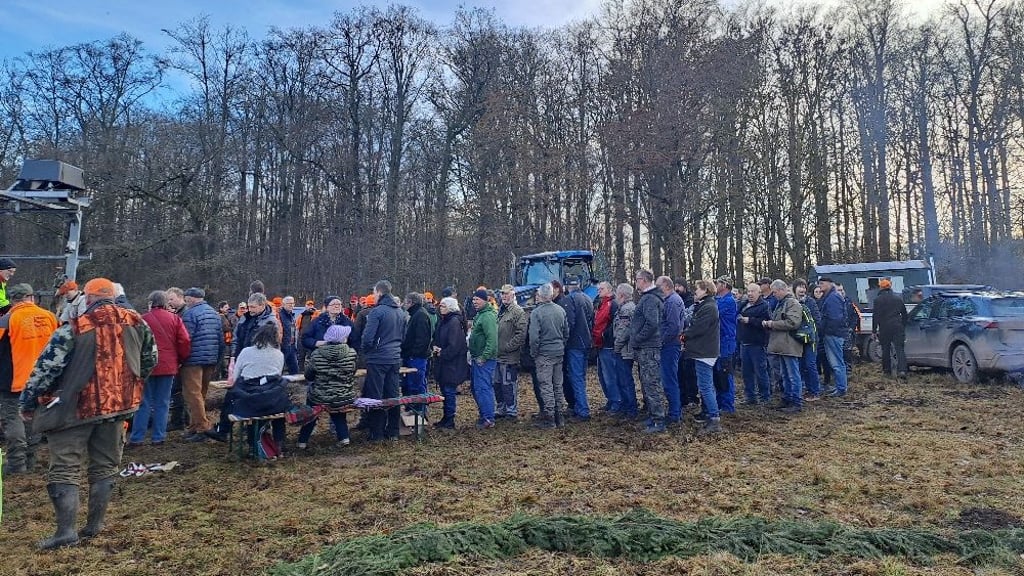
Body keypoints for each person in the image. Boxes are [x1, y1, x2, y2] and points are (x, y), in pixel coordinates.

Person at [20, 278, 156, 549]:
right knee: (105, 466)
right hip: (117, 408)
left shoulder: (75, 327)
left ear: (89, 298)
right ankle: (94, 526)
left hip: (73, 409)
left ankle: (66, 532)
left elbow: (46, 370)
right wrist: (128, 386)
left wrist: (28, 402)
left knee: (65, 468)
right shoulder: (137, 322)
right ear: (113, 296)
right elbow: (150, 359)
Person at [0, 283, 58, 474]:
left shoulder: (7, 320)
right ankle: (31, 459)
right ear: (31, 298)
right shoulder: (50, 317)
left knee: (12, 419)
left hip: (14, 380)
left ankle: (17, 464)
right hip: (44, 381)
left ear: (13, 300)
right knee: (33, 418)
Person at [208, 323, 287, 448]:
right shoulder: (279, 355)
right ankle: (279, 443)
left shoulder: (246, 352)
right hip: (271, 403)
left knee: (231, 395)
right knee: (280, 408)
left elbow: (234, 377)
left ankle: (223, 430)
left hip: (247, 402)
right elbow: (277, 375)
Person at [128, 291, 191, 447]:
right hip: (168, 365)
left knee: (143, 402)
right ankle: (159, 437)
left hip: (146, 365)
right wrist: (180, 359)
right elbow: (184, 341)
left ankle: (137, 437)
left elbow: (135, 343)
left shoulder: (142, 319)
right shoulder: (175, 319)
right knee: (163, 402)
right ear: (165, 303)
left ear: (151, 303)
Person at [361, 280, 407, 442]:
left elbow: (368, 338)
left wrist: (368, 352)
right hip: (395, 357)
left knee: (375, 395)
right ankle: (393, 431)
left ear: (379, 293)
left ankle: (377, 433)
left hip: (378, 359)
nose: (373, 296)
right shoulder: (400, 312)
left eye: (374, 293)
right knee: (393, 394)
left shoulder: (377, 312)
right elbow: (403, 336)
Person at [297, 324, 357, 448]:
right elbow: (353, 372)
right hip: (344, 396)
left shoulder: (317, 354)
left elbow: (309, 376)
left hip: (320, 397)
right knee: (338, 407)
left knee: (312, 410)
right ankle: (344, 437)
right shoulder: (351, 353)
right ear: (342, 338)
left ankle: (302, 441)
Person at [179, 287, 224, 442]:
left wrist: (181, 359)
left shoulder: (190, 314)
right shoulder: (214, 313)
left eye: (186, 298)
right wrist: (218, 359)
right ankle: (194, 426)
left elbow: (186, 339)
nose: (185, 301)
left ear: (191, 298)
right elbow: (220, 338)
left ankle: (203, 428)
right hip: (210, 359)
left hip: (193, 360)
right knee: (201, 394)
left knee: (193, 394)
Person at [684, 280, 722, 434]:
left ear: (706, 290)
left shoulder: (708, 307)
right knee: (706, 385)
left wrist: (684, 335)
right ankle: (708, 413)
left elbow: (698, 328)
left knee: (705, 386)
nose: (695, 292)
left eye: (698, 289)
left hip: (704, 351)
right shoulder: (706, 305)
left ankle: (714, 418)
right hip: (703, 350)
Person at [529, 283, 568, 429]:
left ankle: (550, 418)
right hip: (558, 352)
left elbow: (534, 337)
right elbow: (566, 332)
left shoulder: (536, 313)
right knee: (557, 385)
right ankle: (560, 416)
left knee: (546, 386)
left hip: (544, 354)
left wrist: (534, 353)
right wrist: (561, 345)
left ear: (540, 295)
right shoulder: (560, 310)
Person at [630, 269, 665, 434]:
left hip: (649, 348)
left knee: (651, 383)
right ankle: (653, 415)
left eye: (637, 279)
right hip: (646, 347)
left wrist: (637, 338)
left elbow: (652, 323)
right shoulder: (648, 297)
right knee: (647, 382)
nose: (635, 282)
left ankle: (658, 420)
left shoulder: (650, 299)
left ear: (644, 280)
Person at [764, 280, 805, 413]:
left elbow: (793, 323)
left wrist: (772, 324)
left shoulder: (792, 303)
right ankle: (787, 398)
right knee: (785, 374)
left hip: (790, 345)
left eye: (775, 292)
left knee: (793, 374)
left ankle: (796, 401)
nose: (774, 295)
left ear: (782, 290)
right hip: (782, 345)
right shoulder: (782, 303)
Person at [432, 297, 469, 429]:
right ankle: (446, 417)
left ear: (450, 307)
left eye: (443, 306)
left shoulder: (453, 322)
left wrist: (442, 352)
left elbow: (455, 345)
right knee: (445, 391)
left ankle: (449, 419)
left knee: (449, 391)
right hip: (445, 362)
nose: (440, 308)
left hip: (452, 363)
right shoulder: (444, 321)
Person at [561, 276, 594, 420]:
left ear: (567, 286)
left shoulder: (569, 300)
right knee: (581, 376)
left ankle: (582, 410)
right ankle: (580, 407)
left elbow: (569, 323)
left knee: (576, 377)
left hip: (575, 344)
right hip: (586, 342)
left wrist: (564, 340)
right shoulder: (587, 298)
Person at [494, 284, 527, 419]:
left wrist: (508, 347)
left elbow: (521, 334)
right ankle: (501, 408)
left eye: (507, 294)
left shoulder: (518, 312)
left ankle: (511, 410)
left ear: (513, 295)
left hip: (509, 357)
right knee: (497, 384)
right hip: (497, 355)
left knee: (508, 384)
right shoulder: (499, 311)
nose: (504, 296)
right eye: (502, 293)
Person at [468, 288, 498, 428]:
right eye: (473, 299)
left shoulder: (488, 317)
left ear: (485, 300)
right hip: (477, 357)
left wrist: (484, 356)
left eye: (477, 299)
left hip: (484, 359)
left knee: (483, 388)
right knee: (477, 388)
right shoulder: (480, 315)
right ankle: (484, 414)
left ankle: (488, 418)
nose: (475, 302)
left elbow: (492, 339)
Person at [737, 282, 771, 405]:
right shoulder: (743, 304)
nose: (750, 294)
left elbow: (766, 322)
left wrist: (750, 320)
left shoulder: (764, 306)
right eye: (748, 291)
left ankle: (765, 397)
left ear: (759, 292)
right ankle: (750, 397)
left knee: (760, 371)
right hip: (744, 342)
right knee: (746, 373)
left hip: (757, 343)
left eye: (753, 291)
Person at [657, 276, 683, 424]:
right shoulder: (669, 300)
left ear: (666, 286)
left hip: (670, 345)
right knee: (668, 379)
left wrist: (661, 341)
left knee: (669, 380)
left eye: (658, 285)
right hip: (669, 344)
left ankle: (674, 413)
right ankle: (674, 411)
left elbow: (673, 326)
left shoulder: (673, 301)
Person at [592, 281, 621, 414]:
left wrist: (605, 335)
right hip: (600, 344)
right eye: (598, 289)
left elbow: (615, 323)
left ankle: (616, 401)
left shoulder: (613, 304)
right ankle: (610, 399)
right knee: (602, 375)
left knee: (610, 375)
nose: (599, 291)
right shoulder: (600, 303)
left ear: (609, 289)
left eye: (602, 289)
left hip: (608, 345)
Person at [818, 277, 850, 397]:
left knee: (837, 362)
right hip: (833, 333)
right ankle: (839, 386)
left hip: (833, 334)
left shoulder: (832, 298)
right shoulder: (831, 296)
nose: (820, 285)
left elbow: (835, 318)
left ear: (830, 284)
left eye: (822, 283)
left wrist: (826, 330)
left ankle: (841, 388)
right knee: (836, 362)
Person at [611, 282, 639, 420]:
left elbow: (624, 331)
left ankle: (630, 408)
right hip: (624, 349)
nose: (615, 296)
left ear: (621, 295)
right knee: (622, 379)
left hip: (625, 351)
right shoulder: (625, 308)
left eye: (617, 293)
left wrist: (616, 347)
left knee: (625, 380)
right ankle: (626, 406)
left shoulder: (626, 310)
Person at [400, 292, 432, 409]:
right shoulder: (416, 314)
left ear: (411, 302)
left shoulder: (421, 316)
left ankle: (420, 411)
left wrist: (413, 354)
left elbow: (422, 339)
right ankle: (412, 408)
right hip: (413, 356)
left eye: (405, 302)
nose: (404, 304)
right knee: (411, 384)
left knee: (417, 385)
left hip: (417, 358)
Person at [872, 278, 908, 379]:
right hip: (897, 326)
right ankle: (902, 370)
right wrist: (902, 325)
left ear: (880, 287)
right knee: (900, 349)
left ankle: (887, 370)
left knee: (885, 349)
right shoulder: (898, 299)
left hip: (884, 328)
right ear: (890, 287)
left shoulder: (877, 300)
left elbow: (876, 316)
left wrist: (874, 330)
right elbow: (905, 314)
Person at [793, 280, 822, 400]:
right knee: (801, 365)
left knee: (810, 364)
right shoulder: (792, 302)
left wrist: (809, 331)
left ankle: (815, 391)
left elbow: (817, 319)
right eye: (799, 287)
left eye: (804, 287)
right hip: (798, 339)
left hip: (811, 339)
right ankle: (807, 389)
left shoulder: (810, 302)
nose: (802, 290)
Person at [713, 276, 738, 414]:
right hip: (719, 341)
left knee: (725, 373)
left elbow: (714, 312)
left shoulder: (728, 301)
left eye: (718, 283)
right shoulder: (719, 299)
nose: (715, 285)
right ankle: (720, 403)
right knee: (718, 374)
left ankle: (728, 405)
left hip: (726, 342)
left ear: (724, 285)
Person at [278, 296, 300, 375]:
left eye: (292, 303)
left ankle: (295, 383)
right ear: (283, 304)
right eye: (289, 303)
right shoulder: (279, 316)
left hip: (292, 346)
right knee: (279, 368)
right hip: (283, 347)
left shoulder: (291, 316)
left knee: (295, 370)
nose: (291, 305)